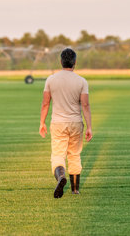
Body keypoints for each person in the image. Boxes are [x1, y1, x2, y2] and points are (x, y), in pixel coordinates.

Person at [39, 48, 93, 198]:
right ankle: (75, 189)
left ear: (61, 61)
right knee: (74, 155)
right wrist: (89, 126)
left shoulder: (51, 80)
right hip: (76, 122)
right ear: (75, 62)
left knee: (58, 155)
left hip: (58, 123)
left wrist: (42, 122)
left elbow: (45, 103)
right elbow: (85, 106)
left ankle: (61, 177)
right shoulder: (82, 81)